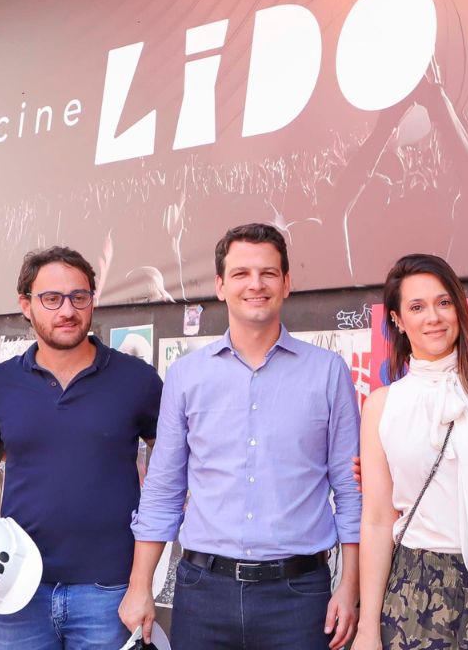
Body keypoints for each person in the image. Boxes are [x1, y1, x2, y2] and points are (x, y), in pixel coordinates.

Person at [120, 223, 361, 649]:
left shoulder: (327, 372)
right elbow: (163, 490)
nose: (256, 284)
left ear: (287, 283)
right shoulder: (187, 376)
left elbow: (350, 488)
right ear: (220, 285)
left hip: (300, 596)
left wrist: (350, 587)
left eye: (268, 273)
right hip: (204, 593)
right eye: (241, 274)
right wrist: (140, 586)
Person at [0, 246, 160, 648]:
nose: (67, 311)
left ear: (93, 299)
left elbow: (169, 472)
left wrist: (145, 579)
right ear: (25, 304)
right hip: (16, 589)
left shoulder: (137, 380)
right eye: (51, 299)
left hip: (109, 591)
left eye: (79, 297)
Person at [353, 254, 468, 649]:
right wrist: (367, 629)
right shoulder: (382, 405)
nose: (434, 317)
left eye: (444, 302)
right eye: (417, 306)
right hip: (418, 590)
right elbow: (377, 521)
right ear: (397, 320)